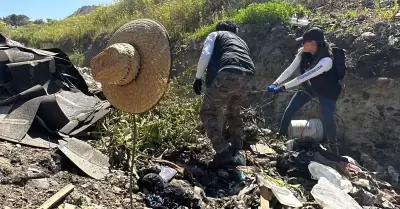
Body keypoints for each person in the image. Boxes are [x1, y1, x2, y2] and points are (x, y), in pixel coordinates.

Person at [267, 27, 342, 151]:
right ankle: (279, 138)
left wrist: (283, 87)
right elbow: (289, 70)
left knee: (328, 117)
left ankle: (333, 146)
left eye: (304, 42)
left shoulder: (326, 60)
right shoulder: (303, 54)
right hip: (310, 88)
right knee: (289, 110)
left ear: (313, 43)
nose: (302, 45)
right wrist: (276, 83)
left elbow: (303, 77)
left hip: (327, 91)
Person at [192, 20, 255, 168]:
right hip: (249, 77)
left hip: (229, 73)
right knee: (234, 111)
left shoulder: (215, 34)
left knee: (208, 112)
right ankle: (238, 148)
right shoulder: (241, 41)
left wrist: (198, 77)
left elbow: (206, 53)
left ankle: (222, 152)